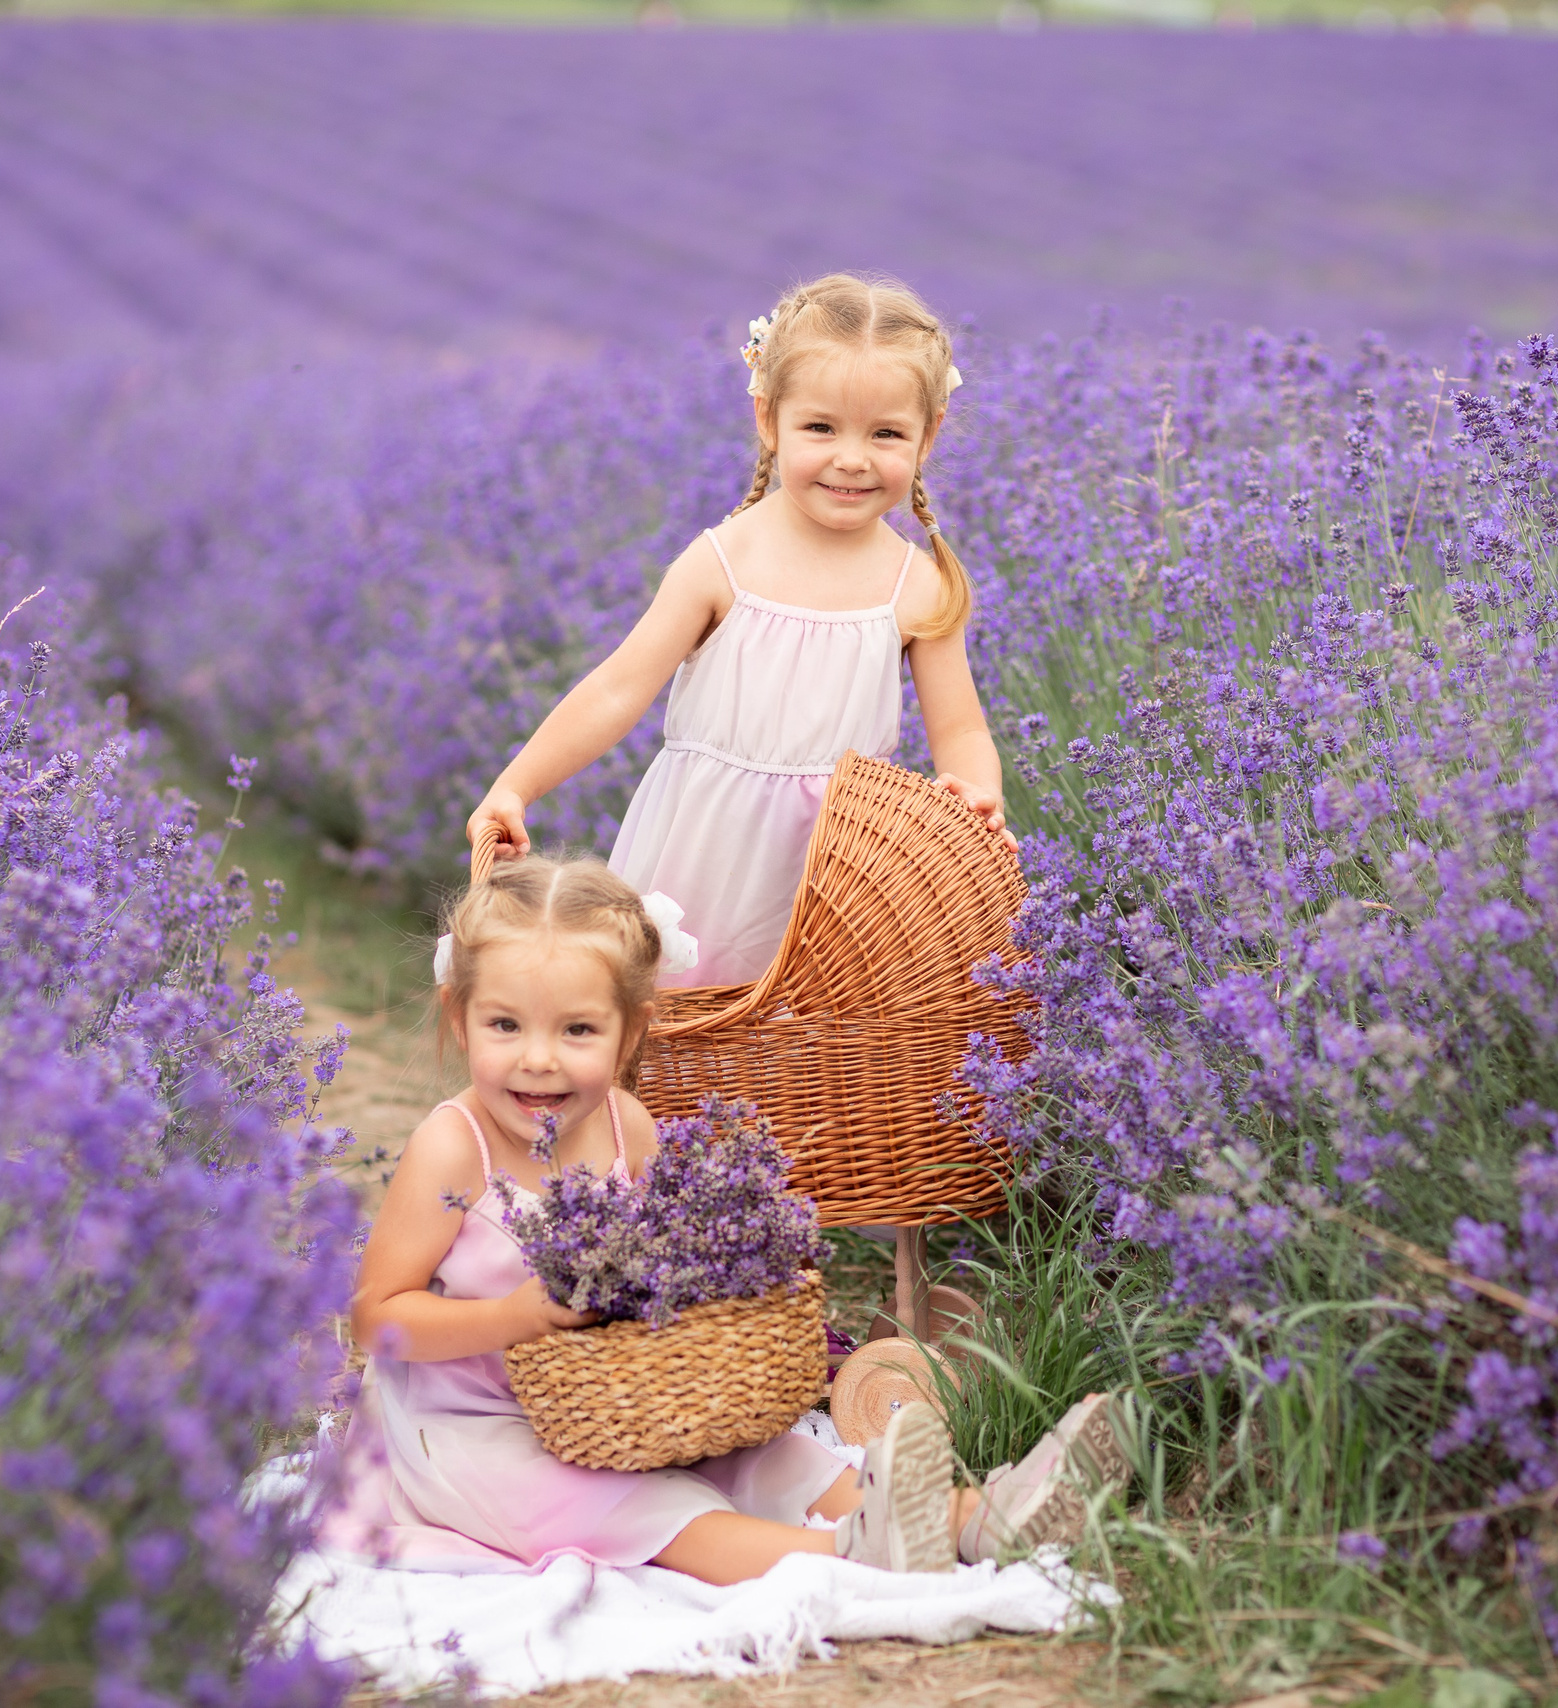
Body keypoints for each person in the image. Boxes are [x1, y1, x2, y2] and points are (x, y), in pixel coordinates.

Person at [328, 853, 1121, 1583]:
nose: (539, 1058)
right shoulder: (453, 1147)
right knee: (648, 1509)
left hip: (619, 1401)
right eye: (505, 1026)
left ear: (630, 1030)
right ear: (458, 1017)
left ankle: (974, 1519)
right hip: (475, 1429)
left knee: (761, 1456)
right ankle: (854, 1554)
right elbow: (377, 1319)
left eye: (577, 1030)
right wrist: (512, 1317)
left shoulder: (625, 1127)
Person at [464, 274, 1010, 990]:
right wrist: (516, 785)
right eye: (820, 427)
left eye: (886, 434)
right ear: (767, 419)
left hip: (831, 870)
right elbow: (617, 689)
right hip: (699, 848)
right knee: (667, 1021)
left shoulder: (917, 585)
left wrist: (974, 803)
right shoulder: (722, 562)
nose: (852, 457)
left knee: (803, 1045)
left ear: (928, 435)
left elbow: (962, 731)